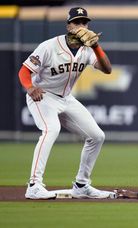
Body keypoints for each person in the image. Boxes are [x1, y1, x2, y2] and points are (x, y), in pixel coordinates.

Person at [20, 7, 113, 199]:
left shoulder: (87, 49)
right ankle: (34, 185)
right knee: (51, 129)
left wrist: (96, 46)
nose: (81, 26)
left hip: (66, 99)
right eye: (77, 22)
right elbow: (24, 71)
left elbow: (107, 69)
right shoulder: (49, 46)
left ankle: (81, 185)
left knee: (97, 136)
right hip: (43, 96)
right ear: (68, 25)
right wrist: (30, 88)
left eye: (84, 22)